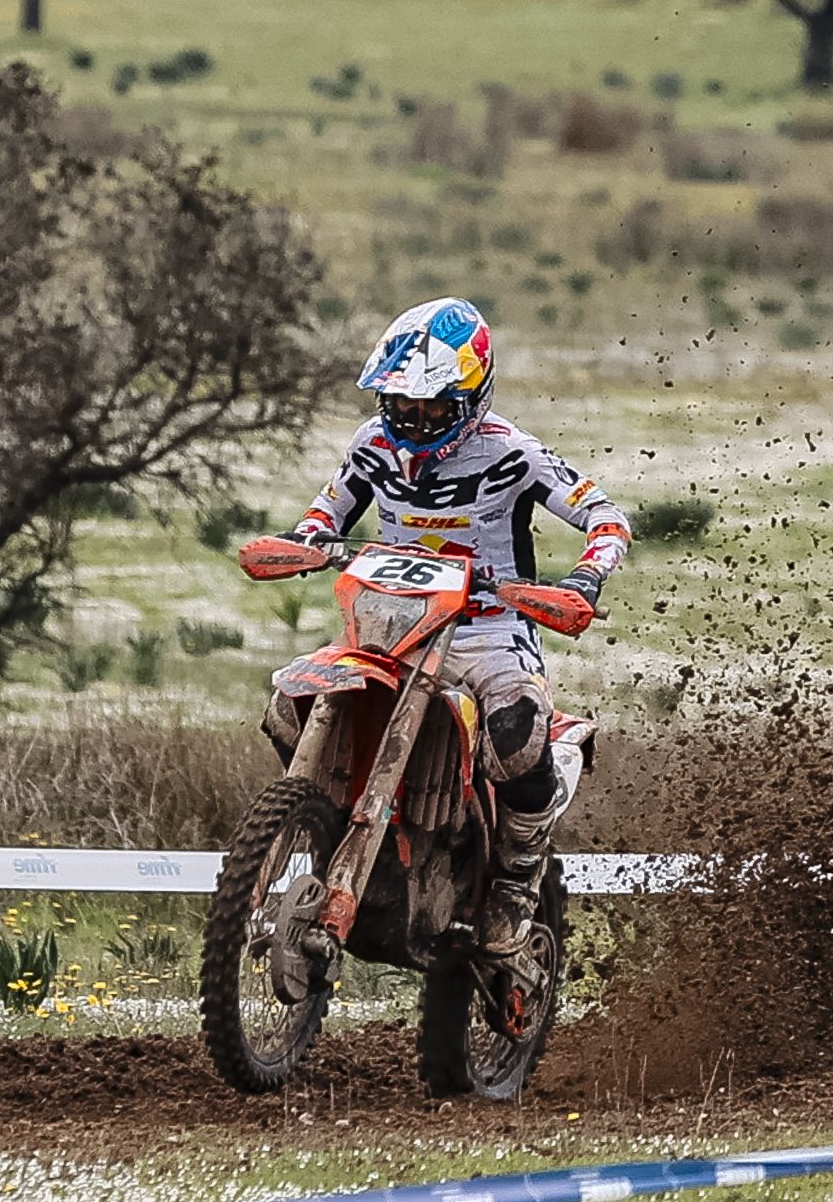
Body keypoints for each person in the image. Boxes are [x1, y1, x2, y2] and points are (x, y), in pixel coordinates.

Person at [256, 296, 632, 959]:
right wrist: (309, 540)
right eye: (401, 404)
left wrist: (582, 580)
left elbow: (605, 517)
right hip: (388, 623)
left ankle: (517, 878)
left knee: (516, 731)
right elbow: (327, 511)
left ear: (470, 396)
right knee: (290, 705)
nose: (414, 418)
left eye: (431, 406)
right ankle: (329, 820)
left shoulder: (511, 452)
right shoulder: (373, 447)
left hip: (488, 629)